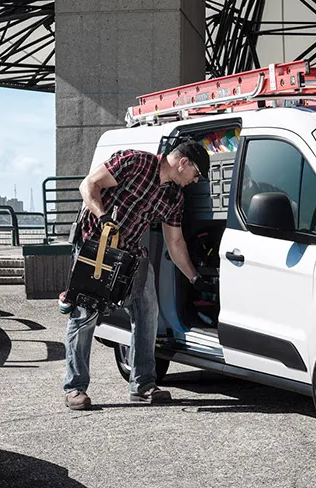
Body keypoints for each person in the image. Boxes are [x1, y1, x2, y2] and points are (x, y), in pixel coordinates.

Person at [62, 140, 210, 410]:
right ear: (183, 163)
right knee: (85, 317)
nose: (195, 180)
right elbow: (88, 185)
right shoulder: (135, 162)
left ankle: (142, 386)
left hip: (131, 253)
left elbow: (175, 242)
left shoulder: (174, 196)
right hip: (97, 247)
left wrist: (194, 277)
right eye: (196, 173)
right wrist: (103, 216)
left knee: (147, 314)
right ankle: (75, 388)